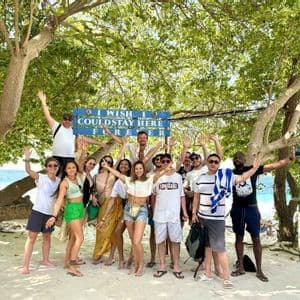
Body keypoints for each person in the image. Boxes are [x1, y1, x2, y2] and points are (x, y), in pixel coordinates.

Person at [192, 153, 261, 289]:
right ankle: (207, 273)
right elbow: (196, 197)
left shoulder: (225, 177)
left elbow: (242, 178)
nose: (213, 164)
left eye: (216, 162)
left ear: (219, 163)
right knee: (207, 247)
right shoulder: (200, 178)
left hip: (217, 219)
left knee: (220, 249)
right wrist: (194, 212)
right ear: (207, 162)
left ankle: (226, 278)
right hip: (202, 216)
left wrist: (254, 169)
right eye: (210, 161)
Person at [101, 146, 170, 276]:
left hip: (142, 210)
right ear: (134, 170)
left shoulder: (149, 180)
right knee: (133, 241)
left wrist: (167, 167)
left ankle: (141, 265)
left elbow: (161, 173)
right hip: (129, 209)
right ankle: (136, 264)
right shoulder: (128, 180)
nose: (138, 170)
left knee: (137, 240)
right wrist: (107, 167)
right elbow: (117, 174)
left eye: (140, 168)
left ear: (143, 170)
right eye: (136, 168)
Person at [230, 151, 291, 282]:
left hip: (252, 208)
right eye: (235, 157)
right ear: (233, 160)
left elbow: (272, 166)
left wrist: (288, 159)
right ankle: (240, 267)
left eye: (240, 157)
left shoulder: (252, 169)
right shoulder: (230, 173)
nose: (237, 159)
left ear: (244, 159)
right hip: (237, 208)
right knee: (238, 237)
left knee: (256, 238)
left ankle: (259, 270)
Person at [38, 90, 106, 175]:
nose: (67, 121)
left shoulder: (74, 131)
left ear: (72, 121)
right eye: (65, 119)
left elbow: (85, 138)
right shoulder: (56, 126)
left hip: (70, 158)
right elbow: (47, 115)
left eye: (69, 119)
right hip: (57, 157)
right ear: (62, 119)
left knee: (69, 178)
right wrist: (43, 102)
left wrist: (100, 143)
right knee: (55, 179)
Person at [21, 147, 60, 274]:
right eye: (50, 165)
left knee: (47, 237)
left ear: (58, 167)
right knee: (32, 237)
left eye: (55, 165)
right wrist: (27, 158)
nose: (53, 167)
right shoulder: (41, 177)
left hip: (50, 214)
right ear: (46, 167)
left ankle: (46, 260)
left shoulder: (59, 181)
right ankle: (25, 266)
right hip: (38, 211)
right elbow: (28, 170)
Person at [45, 160, 85, 277]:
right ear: (65, 170)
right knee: (80, 237)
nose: (72, 169)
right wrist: (54, 215)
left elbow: (81, 159)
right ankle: (72, 267)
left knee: (73, 238)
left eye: (73, 167)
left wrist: (82, 149)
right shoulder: (64, 183)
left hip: (80, 209)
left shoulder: (78, 178)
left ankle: (67, 262)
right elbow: (59, 201)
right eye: (69, 168)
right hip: (72, 209)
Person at [152, 153, 188, 279]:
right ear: (160, 163)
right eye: (163, 161)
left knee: (175, 241)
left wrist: (184, 212)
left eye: (168, 161)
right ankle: (162, 265)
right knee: (160, 241)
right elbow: (153, 192)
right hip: (159, 214)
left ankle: (176, 265)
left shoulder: (178, 177)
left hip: (174, 215)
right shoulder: (157, 177)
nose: (166, 163)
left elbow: (181, 195)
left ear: (171, 162)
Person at [92, 141, 127, 265]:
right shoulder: (96, 176)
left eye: (109, 162)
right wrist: (92, 196)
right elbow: (93, 189)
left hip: (114, 203)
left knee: (112, 230)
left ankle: (111, 255)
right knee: (101, 229)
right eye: (104, 161)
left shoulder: (112, 172)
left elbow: (119, 157)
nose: (106, 163)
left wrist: (124, 144)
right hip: (102, 204)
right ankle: (99, 253)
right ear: (101, 162)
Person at [97, 158, 133, 269]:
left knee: (134, 236)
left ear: (130, 167)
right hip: (124, 207)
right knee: (117, 232)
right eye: (121, 164)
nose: (123, 166)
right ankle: (121, 259)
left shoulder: (131, 179)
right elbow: (112, 200)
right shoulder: (117, 182)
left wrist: (108, 167)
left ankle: (131, 258)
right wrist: (104, 217)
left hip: (135, 207)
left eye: (126, 164)